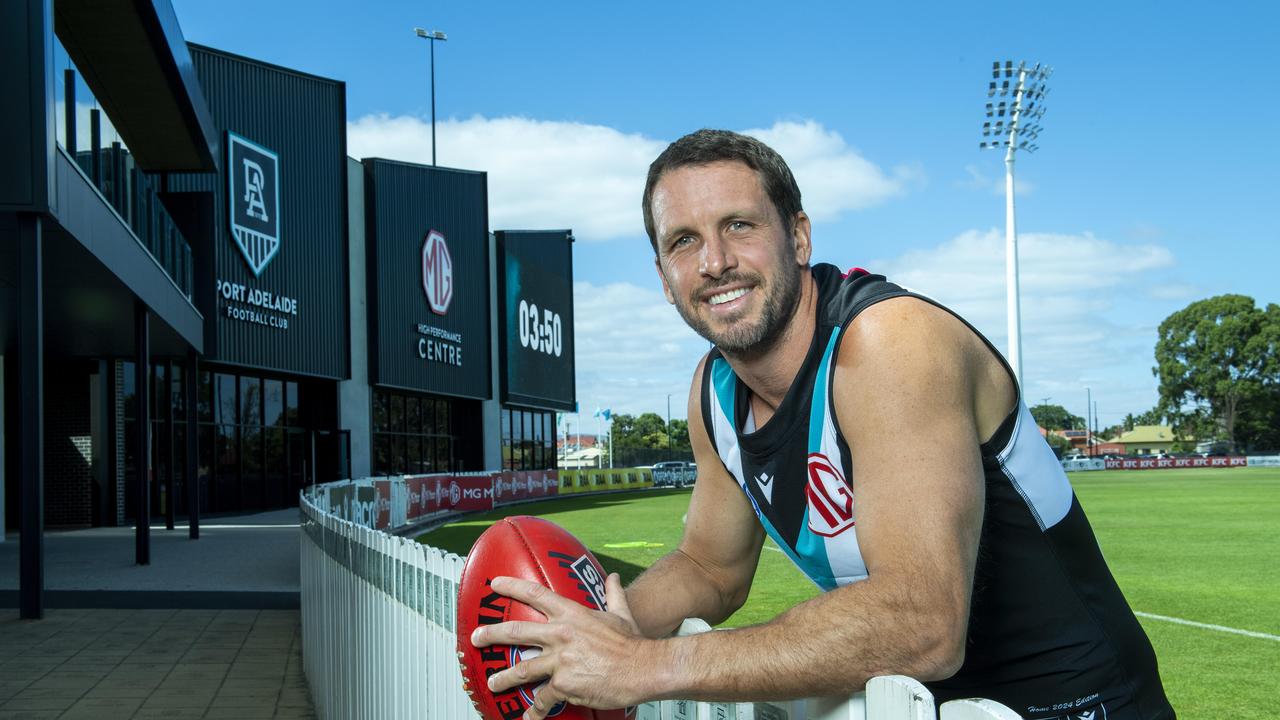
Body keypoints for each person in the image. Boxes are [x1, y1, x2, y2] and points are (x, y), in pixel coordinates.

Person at [472, 129, 1175, 720]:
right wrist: (607, 625)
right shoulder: (714, 389)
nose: (715, 262)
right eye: (683, 241)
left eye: (738, 226)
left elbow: (922, 623)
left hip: (1081, 705)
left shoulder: (890, 344)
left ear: (799, 237)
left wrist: (648, 665)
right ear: (663, 277)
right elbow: (711, 569)